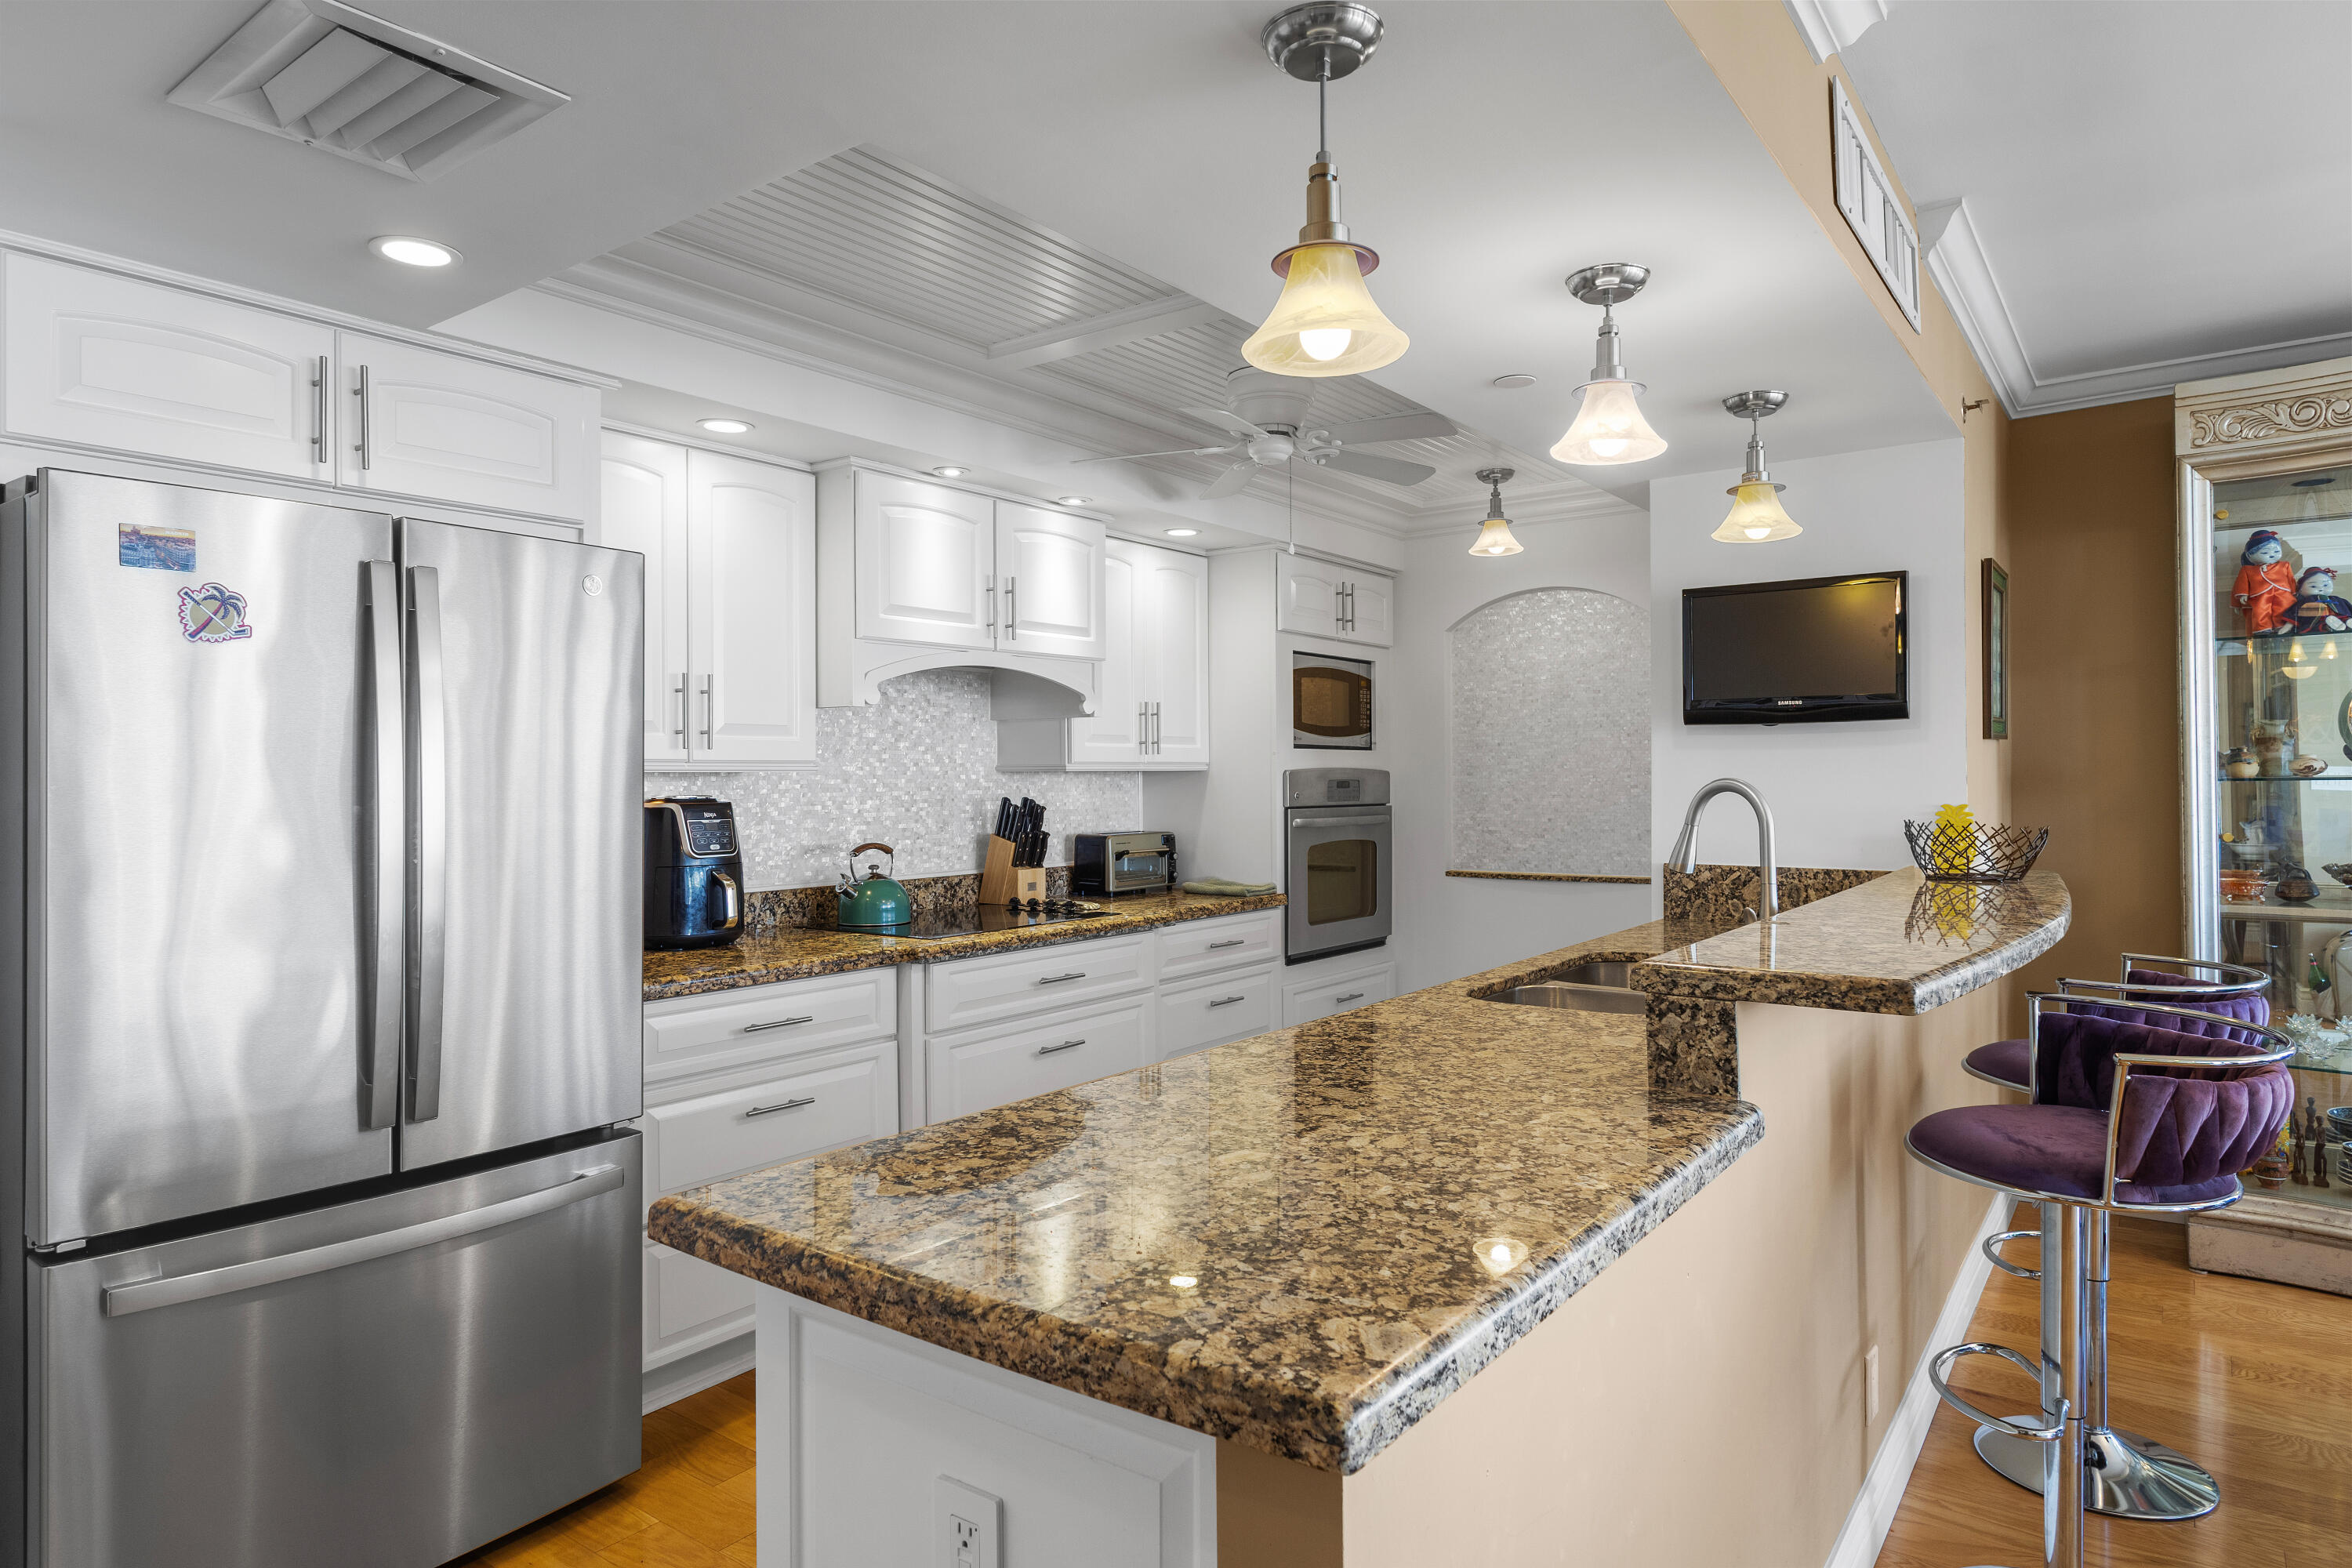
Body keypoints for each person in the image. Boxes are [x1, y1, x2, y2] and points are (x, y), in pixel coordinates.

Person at [2234, 529, 2297, 635]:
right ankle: (2262, 628)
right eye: (2265, 552)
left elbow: (2291, 579)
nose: (2272, 555)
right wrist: (2243, 594)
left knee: (2283, 607)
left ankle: (2280, 625)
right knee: (2261, 609)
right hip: (2260, 594)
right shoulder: (2247, 570)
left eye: (2276, 551)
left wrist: (2294, 592)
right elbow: (2242, 582)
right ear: (2249, 556)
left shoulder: (2285, 565)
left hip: (2283, 592)